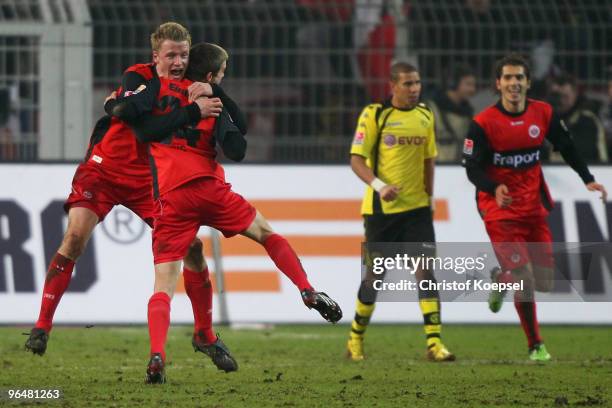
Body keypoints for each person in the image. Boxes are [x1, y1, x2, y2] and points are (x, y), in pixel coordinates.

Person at [110, 42, 343, 383]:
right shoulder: (211, 103)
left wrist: (115, 105)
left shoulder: (154, 93)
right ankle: (306, 289)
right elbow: (237, 148)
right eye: (220, 75)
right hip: (210, 190)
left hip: (172, 199)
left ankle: (157, 353)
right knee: (266, 234)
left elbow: (136, 122)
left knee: (163, 284)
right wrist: (219, 113)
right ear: (210, 76)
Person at [24, 23, 222, 368]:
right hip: (103, 171)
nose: (177, 61)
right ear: (155, 56)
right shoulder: (138, 77)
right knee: (73, 239)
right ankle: (41, 326)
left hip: (149, 181)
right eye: (170, 54)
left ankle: (204, 334)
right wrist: (119, 105)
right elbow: (131, 113)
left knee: (192, 248)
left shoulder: (193, 89)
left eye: (183, 54)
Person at [462, 54, 607, 361]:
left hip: (532, 208)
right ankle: (535, 345)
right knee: (525, 280)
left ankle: (501, 278)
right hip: (499, 209)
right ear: (498, 83)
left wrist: (588, 179)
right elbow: (472, 168)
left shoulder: (543, 113)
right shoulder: (483, 123)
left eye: (519, 77)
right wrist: (493, 187)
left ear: (528, 82)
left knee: (544, 281)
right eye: (508, 78)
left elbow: (566, 146)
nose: (514, 83)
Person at [346, 61, 455, 362]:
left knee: (425, 273)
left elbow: (428, 160)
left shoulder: (425, 115)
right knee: (374, 277)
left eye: (417, 83)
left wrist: (429, 198)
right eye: (408, 84)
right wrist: (379, 185)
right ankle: (355, 338)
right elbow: (356, 160)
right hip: (381, 211)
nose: (414, 89)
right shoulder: (375, 114)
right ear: (392, 85)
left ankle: (434, 343)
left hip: (417, 210)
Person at [547, 73, 608, 163]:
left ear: (575, 94)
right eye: (556, 95)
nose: (560, 100)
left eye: (565, 96)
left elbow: (583, 153)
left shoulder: (587, 120)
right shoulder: (547, 119)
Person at [426, 64, 476, 162]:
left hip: (459, 168)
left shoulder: (468, 113)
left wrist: (469, 159)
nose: (472, 90)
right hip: (437, 167)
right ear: (453, 83)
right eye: (468, 84)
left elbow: (470, 142)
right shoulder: (431, 109)